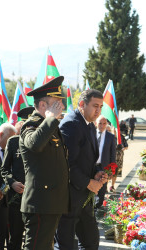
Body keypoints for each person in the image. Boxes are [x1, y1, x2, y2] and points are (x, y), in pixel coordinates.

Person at [19, 76, 69, 250]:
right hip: (40, 203)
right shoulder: (31, 125)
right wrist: (50, 119)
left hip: (52, 202)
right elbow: (34, 144)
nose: (61, 107)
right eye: (56, 103)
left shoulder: (49, 126)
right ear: (42, 106)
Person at [56, 89, 108, 250]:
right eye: (95, 106)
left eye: (100, 107)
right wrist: (88, 182)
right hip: (69, 198)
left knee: (91, 242)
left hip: (84, 197)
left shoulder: (90, 125)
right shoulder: (71, 124)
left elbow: (89, 160)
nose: (98, 110)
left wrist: (97, 172)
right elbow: (66, 164)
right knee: (65, 245)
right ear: (81, 104)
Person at [1, 106, 35, 250]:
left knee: (34, 239)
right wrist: (12, 182)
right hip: (17, 198)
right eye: (26, 126)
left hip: (37, 198)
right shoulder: (14, 141)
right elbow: (4, 169)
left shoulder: (44, 142)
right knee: (15, 237)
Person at [95, 115, 116, 208]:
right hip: (91, 166)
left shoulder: (110, 137)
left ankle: (98, 207)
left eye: (104, 123)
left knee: (102, 189)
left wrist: (112, 170)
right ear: (96, 123)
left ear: (106, 124)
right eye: (100, 123)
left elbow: (113, 155)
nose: (102, 125)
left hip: (104, 167)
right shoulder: (90, 134)